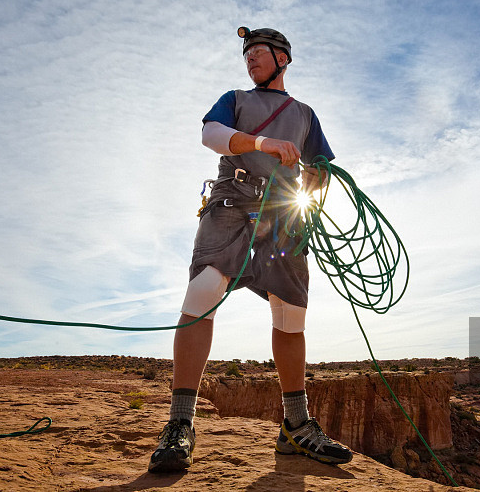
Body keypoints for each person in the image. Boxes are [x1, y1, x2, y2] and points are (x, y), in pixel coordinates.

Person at [148, 27, 353, 473]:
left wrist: (317, 178)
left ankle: (295, 427)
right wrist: (263, 144)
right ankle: (180, 424)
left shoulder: (305, 113)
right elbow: (211, 134)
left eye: (259, 52)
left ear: (284, 59)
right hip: (231, 202)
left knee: (290, 313)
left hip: (284, 214)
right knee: (202, 293)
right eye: (247, 54)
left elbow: (321, 166)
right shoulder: (236, 98)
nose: (250, 59)